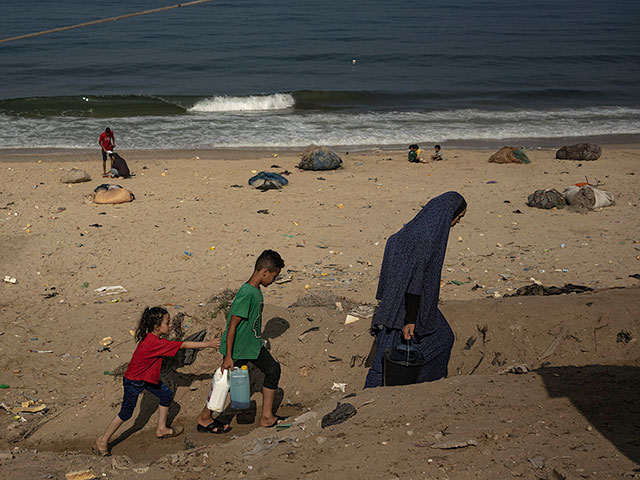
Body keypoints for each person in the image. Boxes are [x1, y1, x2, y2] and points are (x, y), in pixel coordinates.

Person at [364, 191, 467, 388]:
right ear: (447, 214)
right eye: (458, 217)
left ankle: (417, 387)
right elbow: (416, 280)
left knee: (441, 338)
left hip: (398, 302)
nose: (457, 222)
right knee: (386, 359)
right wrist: (410, 319)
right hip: (405, 307)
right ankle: (375, 394)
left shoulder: (411, 232)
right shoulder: (425, 239)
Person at [94, 307, 220, 456]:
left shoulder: (151, 338)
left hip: (146, 378)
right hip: (134, 382)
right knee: (126, 413)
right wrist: (208, 344)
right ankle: (102, 440)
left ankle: (162, 429)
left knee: (166, 395)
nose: (170, 325)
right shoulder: (156, 343)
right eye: (167, 323)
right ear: (156, 326)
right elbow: (183, 345)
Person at [196, 249, 285, 431]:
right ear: (265, 272)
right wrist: (228, 356)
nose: (273, 281)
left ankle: (267, 417)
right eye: (274, 276)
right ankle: (204, 417)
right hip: (238, 348)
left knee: (273, 370)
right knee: (224, 383)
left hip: (251, 346)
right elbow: (232, 326)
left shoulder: (256, 290)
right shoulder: (247, 293)